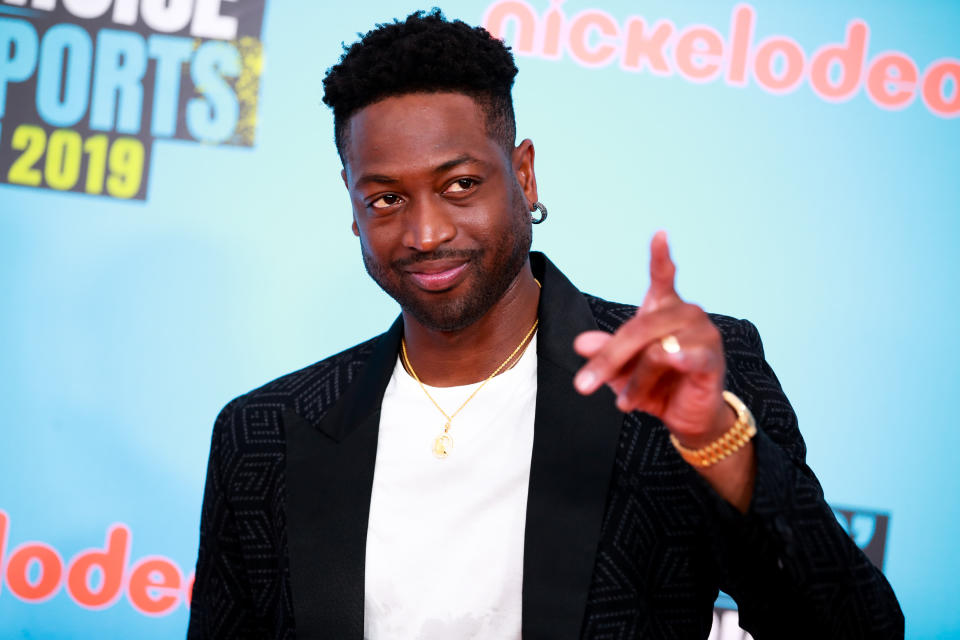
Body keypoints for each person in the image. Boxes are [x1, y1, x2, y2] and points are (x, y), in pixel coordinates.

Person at [187, 9, 903, 639]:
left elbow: (855, 627)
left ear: (523, 176)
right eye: (386, 200)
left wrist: (715, 438)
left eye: (460, 184)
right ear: (352, 208)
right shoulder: (265, 435)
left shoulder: (671, 378)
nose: (426, 232)